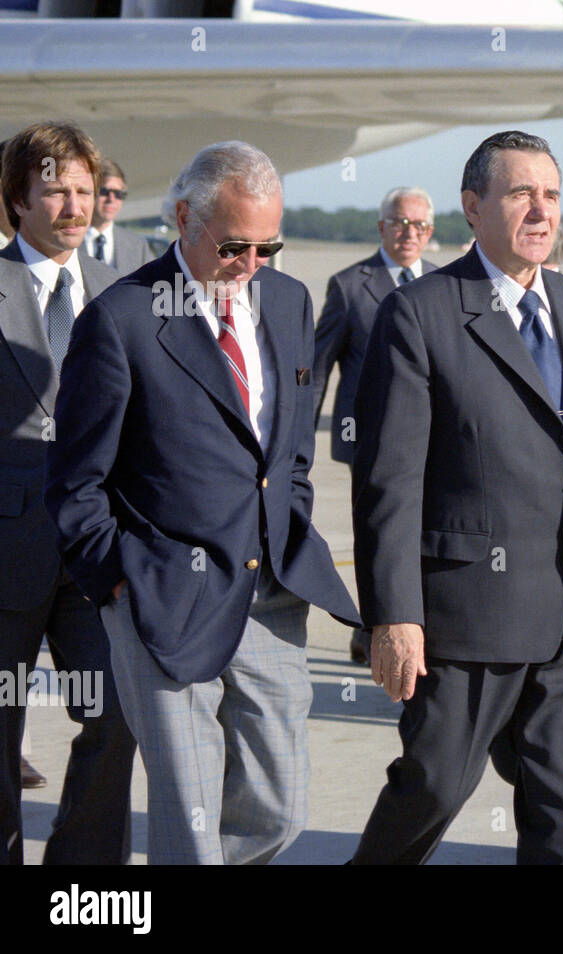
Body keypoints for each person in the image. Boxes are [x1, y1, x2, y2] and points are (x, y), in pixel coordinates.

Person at [44, 140, 360, 864]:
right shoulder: (121, 319)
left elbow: (289, 455)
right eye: (235, 245)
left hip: (271, 596)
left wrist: (291, 517)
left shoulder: (287, 300)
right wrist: (119, 581)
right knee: (189, 823)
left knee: (280, 810)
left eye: (267, 245)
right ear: (183, 217)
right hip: (162, 599)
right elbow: (75, 480)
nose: (250, 263)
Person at [349, 130, 563, 865]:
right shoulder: (421, 314)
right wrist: (394, 616)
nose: (541, 210)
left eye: (551, 195)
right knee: (430, 790)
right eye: (521, 193)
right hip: (467, 617)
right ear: (473, 206)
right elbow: (388, 482)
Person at [0, 123, 136, 865]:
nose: (75, 205)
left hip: (96, 556)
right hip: (5, 558)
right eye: (56, 188)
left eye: (85, 191)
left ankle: (80, 881)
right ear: (17, 198)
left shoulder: (126, 294)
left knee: (117, 716)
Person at [311, 186, 437, 665]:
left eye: (420, 226)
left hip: (431, 440)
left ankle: (417, 622)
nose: (410, 234)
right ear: (382, 227)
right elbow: (319, 367)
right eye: (400, 223)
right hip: (366, 440)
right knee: (377, 532)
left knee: (426, 533)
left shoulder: (444, 282)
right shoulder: (349, 285)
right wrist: (299, 440)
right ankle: (371, 625)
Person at [81, 159, 153, 273]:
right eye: (104, 192)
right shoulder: (68, 240)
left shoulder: (138, 246)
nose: (111, 199)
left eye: (118, 194)